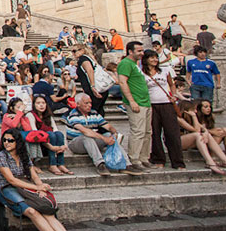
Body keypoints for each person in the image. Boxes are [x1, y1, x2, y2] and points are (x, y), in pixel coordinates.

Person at [0, 128, 94, 231]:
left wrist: (40, 186)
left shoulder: (24, 155)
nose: (6, 143)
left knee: (46, 210)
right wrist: (37, 188)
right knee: (32, 211)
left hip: (25, 187)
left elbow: (34, 175)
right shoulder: (1, 156)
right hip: (8, 188)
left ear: (17, 142)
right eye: (5, 140)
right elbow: (11, 180)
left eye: (10, 140)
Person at [64, 93, 140, 176]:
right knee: (86, 137)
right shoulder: (73, 116)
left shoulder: (94, 113)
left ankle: (126, 164)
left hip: (92, 142)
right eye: (86, 103)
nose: (89, 105)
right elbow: (86, 131)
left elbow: (107, 126)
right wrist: (104, 139)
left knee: (109, 135)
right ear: (78, 104)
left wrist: (114, 133)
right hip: (76, 144)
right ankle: (100, 164)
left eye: (90, 103)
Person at [141, 49, 184, 169]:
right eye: (152, 58)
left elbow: (171, 84)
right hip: (151, 104)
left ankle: (177, 161)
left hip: (166, 104)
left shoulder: (165, 71)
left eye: (156, 57)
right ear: (146, 59)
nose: (155, 60)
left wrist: (174, 95)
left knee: (172, 133)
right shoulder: (141, 73)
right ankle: (158, 159)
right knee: (154, 133)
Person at [178, 101, 226, 174]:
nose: (195, 111)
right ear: (186, 110)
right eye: (193, 110)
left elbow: (202, 129)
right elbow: (197, 130)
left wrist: (205, 133)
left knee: (208, 134)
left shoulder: (195, 117)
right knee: (198, 135)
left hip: (189, 140)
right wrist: (194, 116)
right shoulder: (179, 119)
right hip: (176, 143)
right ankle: (210, 161)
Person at [117, 41, 153, 172]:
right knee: (138, 131)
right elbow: (122, 82)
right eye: (139, 51)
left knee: (147, 132)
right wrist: (131, 101)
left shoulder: (135, 64)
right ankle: (135, 158)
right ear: (130, 51)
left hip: (145, 102)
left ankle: (144, 157)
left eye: (142, 50)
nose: (142, 53)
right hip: (136, 102)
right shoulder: (125, 63)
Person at [22, 94, 71, 176]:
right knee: (50, 134)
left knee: (59, 134)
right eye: (38, 103)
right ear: (34, 105)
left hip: (52, 143)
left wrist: (62, 146)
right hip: (40, 145)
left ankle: (61, 164)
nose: (41, 105)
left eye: (43, 103)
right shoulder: (30, 115)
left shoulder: (48, 115)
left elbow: (55, 129)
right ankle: (52, 165)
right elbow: (36, 134)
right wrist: (51, 147)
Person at [195, 99, 226, 165]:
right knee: (219, 135)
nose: (209, 109)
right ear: (200, 108)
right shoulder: (195, 117)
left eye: (210, 107)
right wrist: (212, 132)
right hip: (199, 139)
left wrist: (221, 130)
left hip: (208, 136)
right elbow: (197, 130)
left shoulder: (211, 117)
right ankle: (213, 158)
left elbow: (211, 129)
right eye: (206, 107)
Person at [74, 44, 108, 116]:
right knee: (98, 111)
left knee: (93, 111)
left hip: (93, 89)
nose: (73, 53)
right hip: (99, 88)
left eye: (74, 51)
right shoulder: (89, 58)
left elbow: (90, 71)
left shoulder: (83, 59)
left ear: (82, 50)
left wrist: (93, 86)